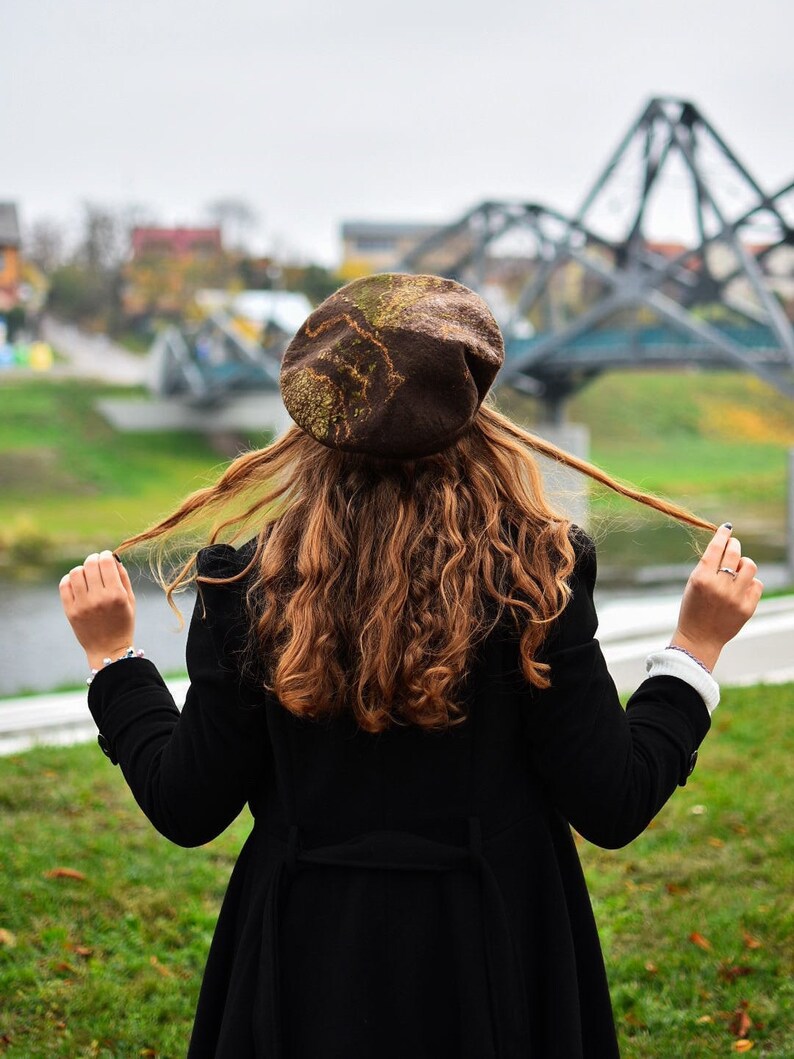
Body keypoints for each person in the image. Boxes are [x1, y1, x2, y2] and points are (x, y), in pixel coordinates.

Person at [59, 273, 763, 1059]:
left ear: (315, 427)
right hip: (495, 966)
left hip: (300, 970)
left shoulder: (244, 590)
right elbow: (613, 800)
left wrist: (114, 659)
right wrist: (695, 649)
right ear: (474, 420)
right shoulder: (536, 585)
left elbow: (188, 805)